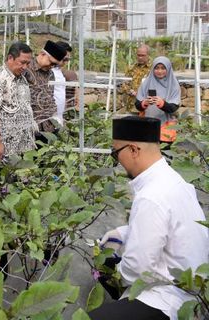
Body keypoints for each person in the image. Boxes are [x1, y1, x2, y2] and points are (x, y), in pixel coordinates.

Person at [89, 116, 209, 320]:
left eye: (115, 152)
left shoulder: (151, 196)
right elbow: (171, 227)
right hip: (195, 292)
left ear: (133, 150)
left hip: (168, 299)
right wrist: (123, 234)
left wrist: (114, 265)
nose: (117, 161)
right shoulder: (174, 180)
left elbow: (136, 269)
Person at [0, 41, 37, 162]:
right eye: (22, 62)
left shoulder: (22, 79)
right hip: (5, 149)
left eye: (28, 63)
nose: (25, 67)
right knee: (5, 179)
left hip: (24, 147)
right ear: (10, 58)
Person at [24, 40, 67, 142]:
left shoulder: (50, 74)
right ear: (42, 54)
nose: (51, 66)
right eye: (51, 62)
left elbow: (50, 96)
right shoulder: (26, 69)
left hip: (47, 127)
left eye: (55, 65)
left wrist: (56, 118)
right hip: (28, 127)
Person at [135, 56, 180, 143]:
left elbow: (174, 107)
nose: (160, 71)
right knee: (147, 154)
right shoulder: (145, 83)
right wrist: (144, 103)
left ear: (168, 69)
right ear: (152, 69)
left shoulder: (174, 85)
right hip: (147, 125)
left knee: (165, 154)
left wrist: (162, 103)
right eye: (157, 68)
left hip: (166, 127)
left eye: (163, 68)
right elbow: (137, 105)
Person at [120, 45, 151, 113]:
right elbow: (124, 84)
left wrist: (142, 94)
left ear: (148, 55)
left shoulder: (154, 69)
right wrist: (131, 91)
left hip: (148, 107)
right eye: (138, 55)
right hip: (132, 106)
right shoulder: (131, 68)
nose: (140, 57)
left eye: (143, 55)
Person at [52, 41, 74, 126]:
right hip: (50, 117)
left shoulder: (59, 71)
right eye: (65, 59)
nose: (66, 62)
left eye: (68, 59)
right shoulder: (48, 72)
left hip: (58, 116)